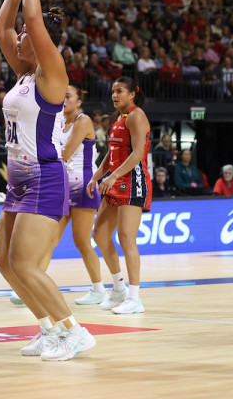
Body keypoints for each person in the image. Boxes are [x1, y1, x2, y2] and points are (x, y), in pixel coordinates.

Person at [0, 0, 95, 361]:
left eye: (25, 37)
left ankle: (75, 332)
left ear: (40, 44)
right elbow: (3, 24)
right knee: (5, 262)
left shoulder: (52, 73)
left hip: (44, 176)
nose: (18, 37)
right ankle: (48, 330)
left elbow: (32, 21)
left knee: (27, 263)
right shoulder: (23, 73)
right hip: (18, 181)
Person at [88, 77, 152, 318]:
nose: (114, 96)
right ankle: (118, 289)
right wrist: (97, 176)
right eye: (112, 92)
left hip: (133, 182)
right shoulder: (118, 118)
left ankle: (135, 298)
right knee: (100, 235)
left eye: (119, 91)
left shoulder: (137, 116)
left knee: (126, 238)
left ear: (132, 94)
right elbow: (111, 152)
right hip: (115, 181)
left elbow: (137, 154)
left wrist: (112, 177)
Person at [55, 85, 106, 305]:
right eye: (61, 96)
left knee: (82, 241)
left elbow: (65, 154)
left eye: (68, 96)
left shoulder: (83, 121)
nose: (63, 100)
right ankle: (28, 285)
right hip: (63, 186)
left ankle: (99, 289)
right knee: (49, 238)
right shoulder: (58, 122)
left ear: (78, 102)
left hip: (84, 185)